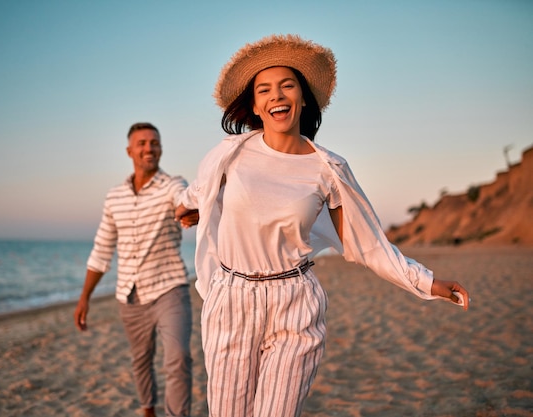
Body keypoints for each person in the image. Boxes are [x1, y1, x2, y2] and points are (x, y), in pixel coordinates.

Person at [175, 34, 470, 417]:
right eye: (264, 89)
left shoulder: (328, 168)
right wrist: (188, 207)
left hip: (294, 302)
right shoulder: (230, 154)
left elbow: (367, 243)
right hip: (232, 298)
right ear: (254, 105)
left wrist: (427, 282)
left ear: (302, 96)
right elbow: (198, 191)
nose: (276, 96)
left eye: (287, 85)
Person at [74, 122, 198, 417]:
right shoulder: (114, 196)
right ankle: (148, 411)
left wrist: (189, 210)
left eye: (154, 142)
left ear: (161, 149)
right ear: (129, 151)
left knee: (178, 357)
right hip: (129, 295)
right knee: (141, 360)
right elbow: (102, 249)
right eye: (141, 143)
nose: (148, 147)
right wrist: (84, 298)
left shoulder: (172, 184)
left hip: (170, 289)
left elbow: (183, 199)